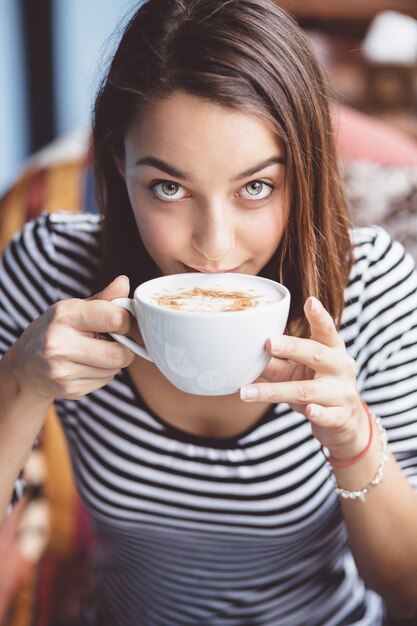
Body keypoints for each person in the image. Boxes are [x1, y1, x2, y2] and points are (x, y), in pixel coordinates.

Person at [1, 0, 417, 624]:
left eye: (256, 187)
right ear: (120, 164)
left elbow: (408, 587)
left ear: (300, 174)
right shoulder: (50, 268)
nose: (214, 247)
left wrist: (353, 438)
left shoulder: (372, 286)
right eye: (168, 187)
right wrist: (19, 382)